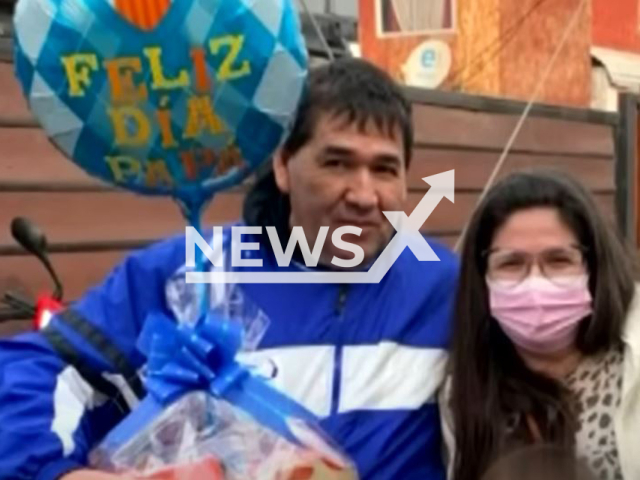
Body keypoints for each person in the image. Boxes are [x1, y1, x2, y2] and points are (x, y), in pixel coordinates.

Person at [0, 58, 459, 480]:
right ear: (282, 165)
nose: (363, 195)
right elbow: (35, 366)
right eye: (336, 162)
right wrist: (55, 473)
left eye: (384, 170)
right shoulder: (191, 272)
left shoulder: (444, 287)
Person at [439, 170, 640, 480]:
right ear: (483, 277)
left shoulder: (632, 360)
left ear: (593, 265)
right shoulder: (464, 389)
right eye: (511, 263)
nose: (535, 282)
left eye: (558, 260)